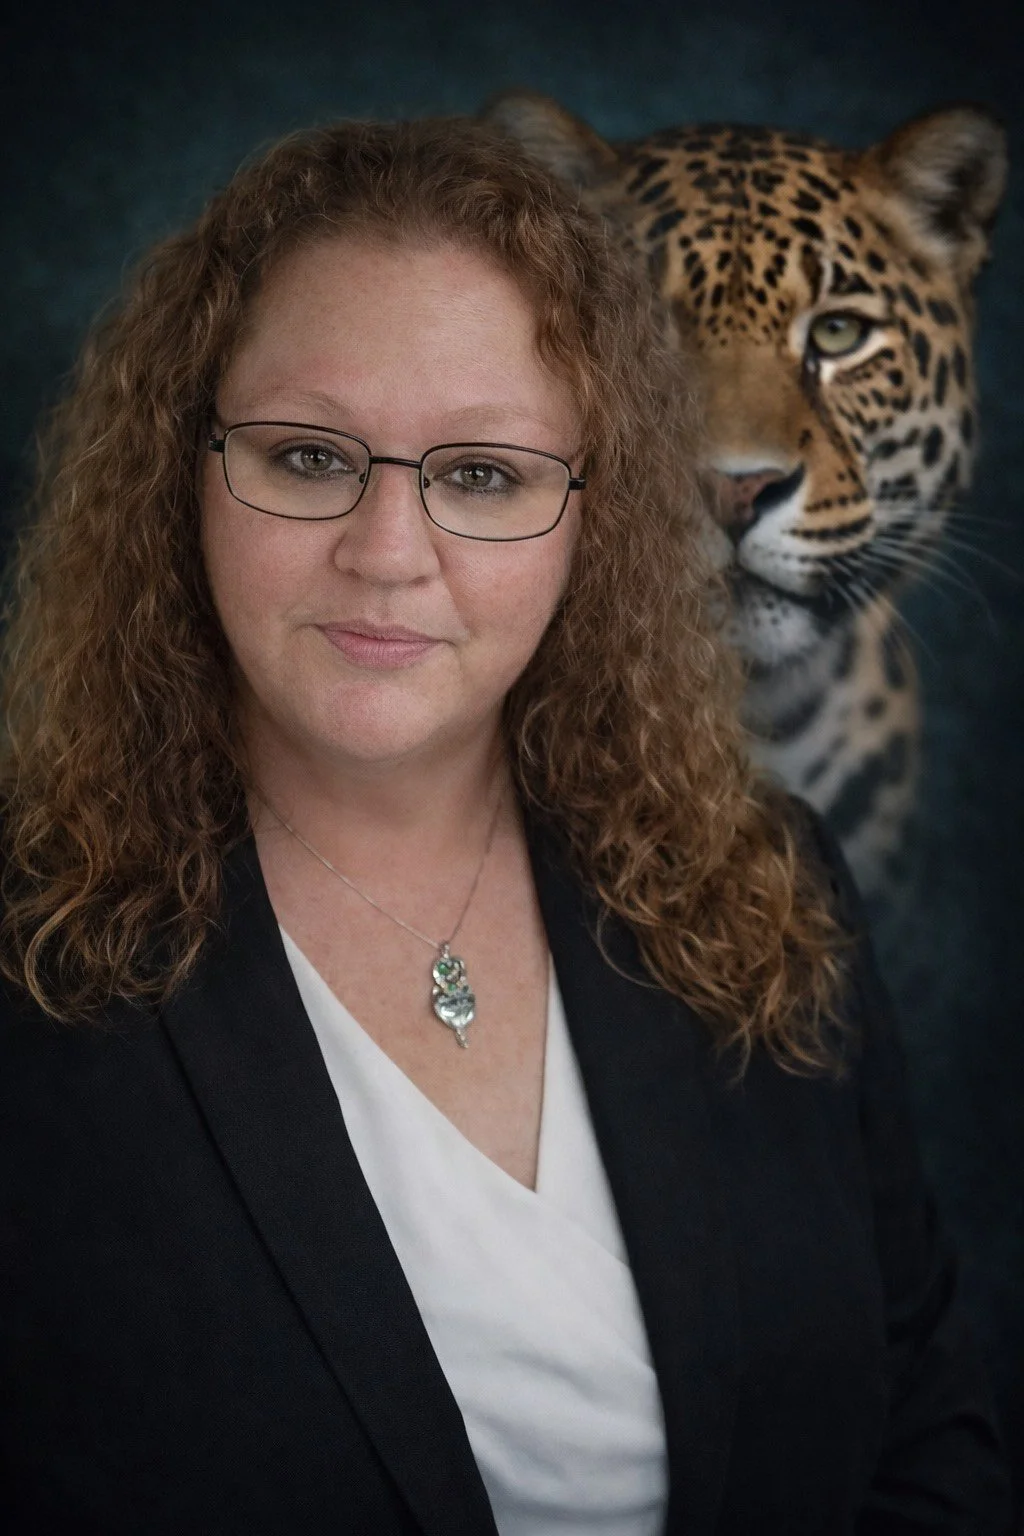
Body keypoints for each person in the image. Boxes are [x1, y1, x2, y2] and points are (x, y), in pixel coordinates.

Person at [0, 116, 1011, 1535]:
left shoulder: (775, 886)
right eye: (303, 457)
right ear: (179, 471)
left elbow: (928, 1440)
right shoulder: (25, 965)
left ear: (597, 510)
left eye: (482, 474)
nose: (389, 553)